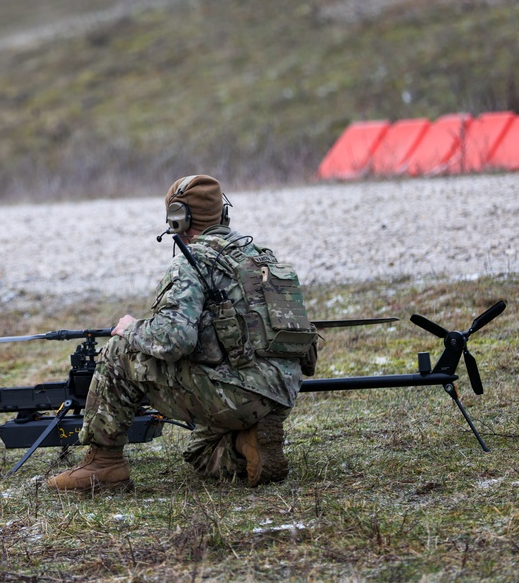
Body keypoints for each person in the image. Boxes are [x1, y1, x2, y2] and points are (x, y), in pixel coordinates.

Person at [47, 174, 318, 491]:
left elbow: (175, 339)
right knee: (201, 453)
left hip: (237, 396)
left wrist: (129, 329)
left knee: (119, 351)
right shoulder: (261, 256)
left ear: (178, 218)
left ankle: (104, 464)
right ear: (222, 213)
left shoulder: (193, 261)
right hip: (280, 395)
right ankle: (248, 441)